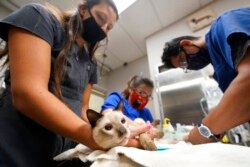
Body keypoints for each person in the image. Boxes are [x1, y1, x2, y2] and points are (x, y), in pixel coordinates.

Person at [0, 0, 147, 166]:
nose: (104, 27)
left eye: (109, 27)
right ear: (83, 9)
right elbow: (27, 93)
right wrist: (95, 139)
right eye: (101, 17)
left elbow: (83, 110)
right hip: (19, 147)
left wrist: (111, 132)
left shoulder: (90, 65)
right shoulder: (40, 18)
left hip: (64, 153)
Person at [161, 7, 250, 145]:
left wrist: (205, 129)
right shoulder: (219, 68)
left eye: (183, 61)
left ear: (186, 44)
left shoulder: (222, 25)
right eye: (184, 67)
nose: (188, 66)